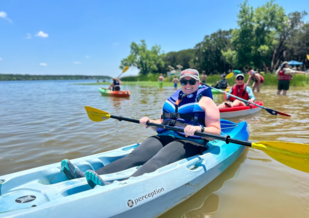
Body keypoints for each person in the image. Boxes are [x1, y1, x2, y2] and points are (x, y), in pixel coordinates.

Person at [60, 69, 221, 188]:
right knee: (134, 156)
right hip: (166, 136)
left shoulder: (206, 102)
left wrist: (198, 129)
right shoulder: (172, 100)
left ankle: (118, 187)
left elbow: (216, 131)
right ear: (180, 83)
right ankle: (84, 178)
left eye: (191, 82)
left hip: (189, 142)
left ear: (199, 83)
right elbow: (162, 125)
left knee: (157, 160)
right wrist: (150, 122)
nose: (187, 85)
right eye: (184, 82)